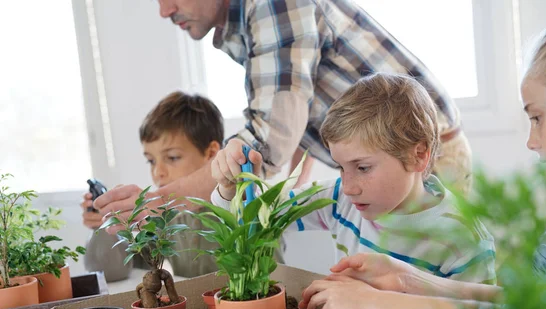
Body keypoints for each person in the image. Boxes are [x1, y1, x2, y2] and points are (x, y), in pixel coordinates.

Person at [298, 9, 546, 309]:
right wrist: (407, 279)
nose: (531, 141)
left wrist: (373, 304)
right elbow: (525, 298)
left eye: (537, 117)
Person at [94, 0, 473, 227]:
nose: (164, 10)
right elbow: (291, 114)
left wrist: (158, 203)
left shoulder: (274, 4)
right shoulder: (253, 18)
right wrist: (284, 186)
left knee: (437, 299)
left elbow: (266, 140)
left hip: (421, 164)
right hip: (394, 165)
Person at [211, 73, 496, 282]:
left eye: (362, 168)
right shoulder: (339, 200)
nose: (348, 187)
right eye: (340, 167)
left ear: (418, 154)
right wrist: (228, 186)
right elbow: (256, 216)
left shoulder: (464, 238)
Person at [82, 91, 223, 281]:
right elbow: (116, 270)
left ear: (211, 153)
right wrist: (107, 226)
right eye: (151, 161)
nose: (158, 172)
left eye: (172, 157)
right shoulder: (161, 217)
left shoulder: (241, 203)